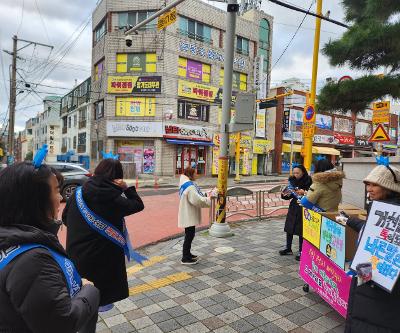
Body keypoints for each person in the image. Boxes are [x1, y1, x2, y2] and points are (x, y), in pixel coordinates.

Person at [0, 162, 99, 333]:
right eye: (55, 190)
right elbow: (62, 324)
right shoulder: (32, 261)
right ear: (35, 200)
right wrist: (89, 291)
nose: (60, 198)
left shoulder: (11, 239)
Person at [62, 158, 144, 311]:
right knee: (100, 298)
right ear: (117, 177)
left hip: (77, 254)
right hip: (104, 258)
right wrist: (126, 188)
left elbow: (65, 218)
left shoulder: (78, 193)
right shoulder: (113, 198)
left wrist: (82, 230)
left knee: (81, 299)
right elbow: (138, 205)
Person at [336, 164, 400, 333]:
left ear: (389, 187)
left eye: (374, 184)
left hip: (382, 291)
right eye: (367, 184)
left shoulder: (394, 213)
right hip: (366, 277)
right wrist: (349, 220)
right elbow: (372, 231)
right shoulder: (379, 208)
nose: (368, 189)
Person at [178, 163, 211, 265]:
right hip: (189, 212)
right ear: (191, 174)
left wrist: (205, 195)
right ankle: (185, 257)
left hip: (186, 211)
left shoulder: (184, 182)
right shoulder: (190, 186)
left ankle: (187, 253)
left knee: (189, 234)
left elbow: (196, 195)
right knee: (189, 235)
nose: (197, 175)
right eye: (196, 173)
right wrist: (209, 199)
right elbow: (196, 200)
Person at [279, 165, 312, 261]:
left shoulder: (309, 181)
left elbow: (313, 195)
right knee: (289, 227)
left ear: (303, 172)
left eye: (297, 173)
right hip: (294, 207)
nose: (295, 175)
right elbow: (288, 196)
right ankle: (288, 248)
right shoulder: (292, 181)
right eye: (294, 173)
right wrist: (284, 194)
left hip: (304, 207)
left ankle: (301, 251)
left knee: (301, 229)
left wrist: (304, 192)